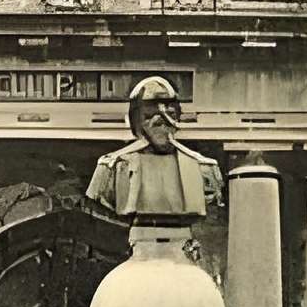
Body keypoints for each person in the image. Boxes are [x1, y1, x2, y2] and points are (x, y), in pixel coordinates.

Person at [86, 77, 225, 223]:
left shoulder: (204, 168)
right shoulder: (111, 168)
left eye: (169, 115)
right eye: (149, 115)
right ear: (136, 121)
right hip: (134, 241)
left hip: (183, 242)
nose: (159, 123)